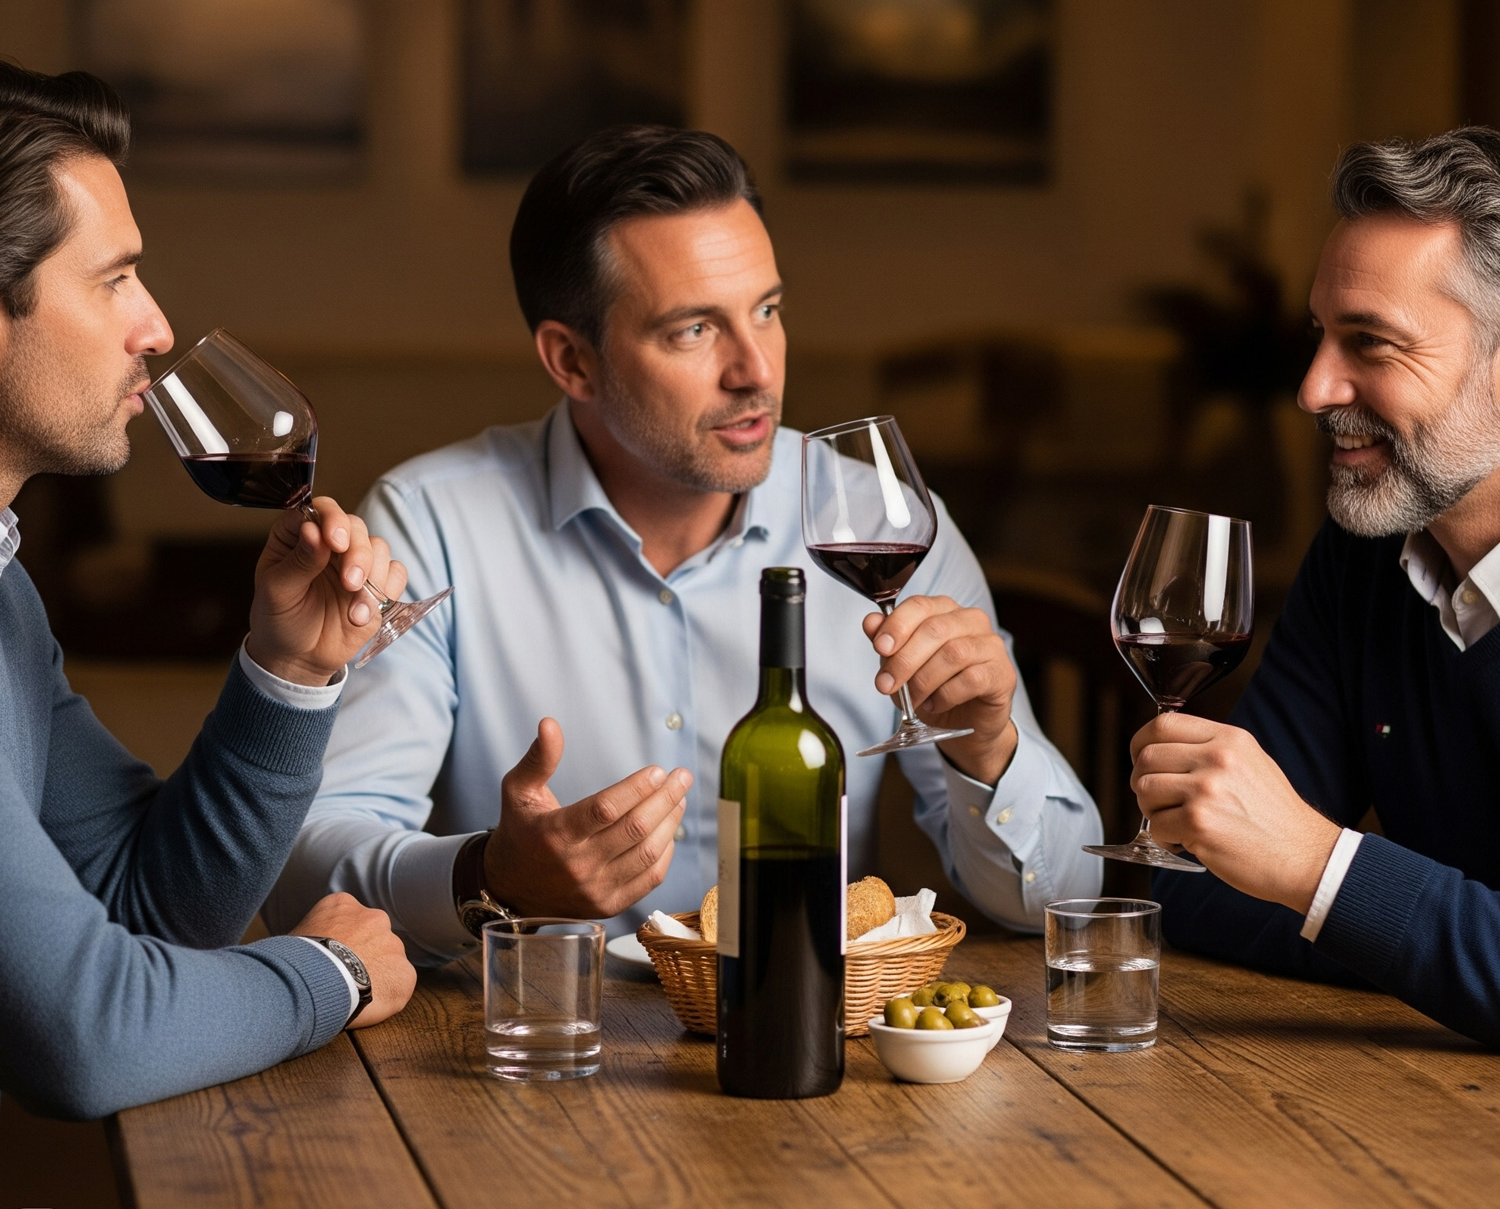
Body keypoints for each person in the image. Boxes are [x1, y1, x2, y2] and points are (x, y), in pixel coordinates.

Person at [267, 125, 1102, 960]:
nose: (757, 370)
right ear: (572, 361)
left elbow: (1061, 901)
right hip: (541, 1025)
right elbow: (305, 871)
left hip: (808, 1023)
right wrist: (491, 876)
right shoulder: (434, 525)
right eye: (694, 330)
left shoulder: (888, 522)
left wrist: (990, 751)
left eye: (767, 311)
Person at [0, 60, 418, 1120]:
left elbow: (147, 906)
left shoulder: (5, 597)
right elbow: (89, 1036)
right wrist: (332, 974)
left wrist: (290, 671)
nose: (154, 326)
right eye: (113, 280)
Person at [1139, 125, 1500, 1046]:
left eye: (1370, 344)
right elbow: (1200, 884)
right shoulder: (1363, 555)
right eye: (1320, 336)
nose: (1312, 388)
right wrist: (1448, 954)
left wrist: (1318, 870)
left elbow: (1280, 865)